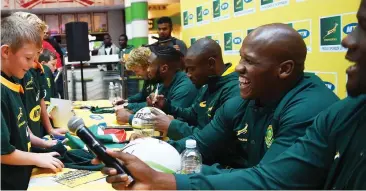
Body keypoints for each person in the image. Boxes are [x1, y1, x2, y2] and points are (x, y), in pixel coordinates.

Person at [96, 23, 345, 190]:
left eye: (249, 61)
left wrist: (165, 181)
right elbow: (198, 145)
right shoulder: (246, 98)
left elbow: (268, 181)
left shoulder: (308, 108)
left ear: (285, 69)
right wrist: (138, 154)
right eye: (240, 58)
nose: (237, 68)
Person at [1, 15, 64, 190]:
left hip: (21, 176)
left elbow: (21, 127)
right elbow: (2, 152)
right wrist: (37, 158)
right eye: (28, 58)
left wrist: (41, 144)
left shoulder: (12, 81)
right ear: (5, 52)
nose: (31, 65)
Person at [149, 38, 239, 140]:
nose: (188, 75)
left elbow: (211, 139)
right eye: (186, 70)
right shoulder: (207, 82)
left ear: (211, 63)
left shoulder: (233, 91)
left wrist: (172, 126)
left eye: (192, 69)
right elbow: (193, 113)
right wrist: (167, 106)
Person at [12, 11, 67, 137]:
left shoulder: (38, 68)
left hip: (36, 136)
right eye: (36, 41)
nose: (40, 47)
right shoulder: (15, 71)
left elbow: (40, 98)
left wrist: (50, 130)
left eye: (41, 41)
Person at [115, 46, 198, 124]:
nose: (147, 69)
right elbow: (155, 111)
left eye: (150, 65)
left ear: (164, 69)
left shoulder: (184, 88)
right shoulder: (162, 83)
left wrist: (130, 118)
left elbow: (171, 123)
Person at [114, 47, 157, 111]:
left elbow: (154, 104)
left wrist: (127, 106)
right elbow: (143, 94)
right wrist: (127, 101)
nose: (137, 75)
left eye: (136, 71)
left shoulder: (159, 79)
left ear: (147, 66)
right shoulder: (148, 77)